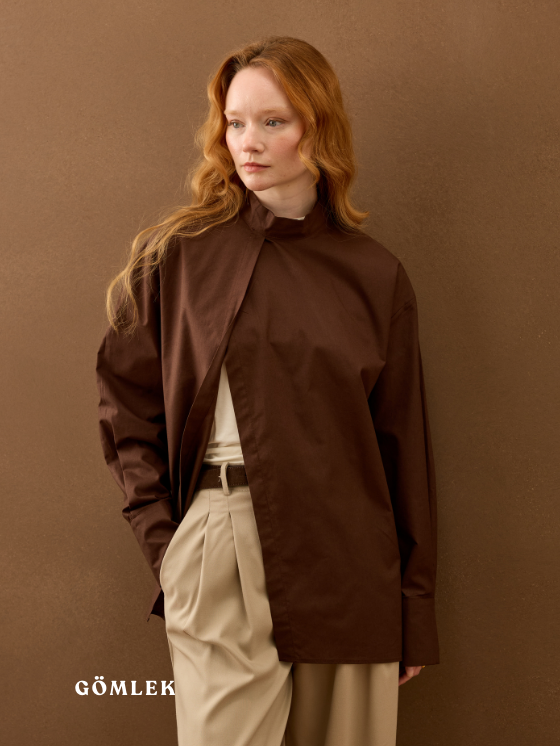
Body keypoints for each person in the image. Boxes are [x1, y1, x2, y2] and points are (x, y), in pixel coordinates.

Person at [96, 35, 439, 746]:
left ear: (319, 127)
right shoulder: (178, 257)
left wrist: (413, 609)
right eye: (235, 122)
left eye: (272, 121)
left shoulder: (375, 276)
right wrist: (171, 550)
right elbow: (125, 411)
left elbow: (403, 449)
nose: (247, 142)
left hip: (350, 557)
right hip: (219, 542)